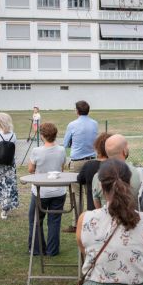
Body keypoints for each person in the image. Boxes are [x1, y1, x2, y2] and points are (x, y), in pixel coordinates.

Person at [28, 123, 67, 256]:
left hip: (41, 191)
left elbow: (30, 169)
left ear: (42, 135)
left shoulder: (37, 151)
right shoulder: (61, 150)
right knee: (54, 220)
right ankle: (52, 250)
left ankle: (37, 249)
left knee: (35, 220)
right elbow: (62, 167)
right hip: (58, 190)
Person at [63, 100, 98, 232]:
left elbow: (66, 143)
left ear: (77, 111)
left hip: (77, 161)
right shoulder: (94, 123)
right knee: (91, 191)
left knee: (76, 193)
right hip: (92, 160)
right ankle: (93, 221)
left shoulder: (72, 124)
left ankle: (77, 223)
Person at [91, 134, 143, 208]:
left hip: (108, 218)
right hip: (137, 218)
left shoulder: (98, 177)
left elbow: (98, 206)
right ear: (124, 151)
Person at [76, 132, 111, 212]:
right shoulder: (117, 166)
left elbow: (80, 179)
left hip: (93, 210)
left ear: (97, 148)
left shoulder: (89, 165)